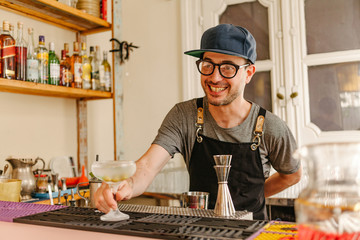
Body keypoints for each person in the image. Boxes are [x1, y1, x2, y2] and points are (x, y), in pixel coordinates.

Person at [94, 24, 302, 220]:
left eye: (228, 68)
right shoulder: (184, 115)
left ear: (248, 73)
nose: (215, 77)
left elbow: (291, 175)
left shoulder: (271, 127)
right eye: (208, 65)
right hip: (197, 230)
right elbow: (148, 165)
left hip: (251, 232)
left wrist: (255, 194)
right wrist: (127, 183)